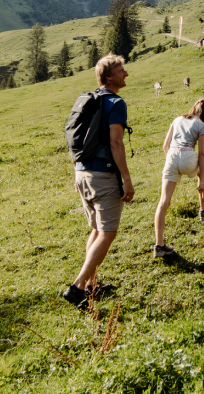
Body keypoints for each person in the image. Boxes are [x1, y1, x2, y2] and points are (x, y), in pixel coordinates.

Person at [62, 54, 134, 307]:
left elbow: (74, 139)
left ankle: (92, 285)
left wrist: (77, 171)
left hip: (82, 172)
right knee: (107, 232)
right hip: (103, 175)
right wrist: (127, 179)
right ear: (109, 77)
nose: (126, 74)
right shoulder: (115, 103)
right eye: (121, 70)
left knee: (96, 229)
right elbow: (116, 143)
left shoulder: (88, 100)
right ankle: (77, 287)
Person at [153, 97, 204, 258]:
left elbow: (165, 146)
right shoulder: (201, 125)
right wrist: (202, 179)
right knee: (201, 173)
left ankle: (159, 245)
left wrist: (174, 163)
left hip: (172, 157)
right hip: (188, 157)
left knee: (163, 201)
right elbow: (202, 154)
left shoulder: (177, 119)